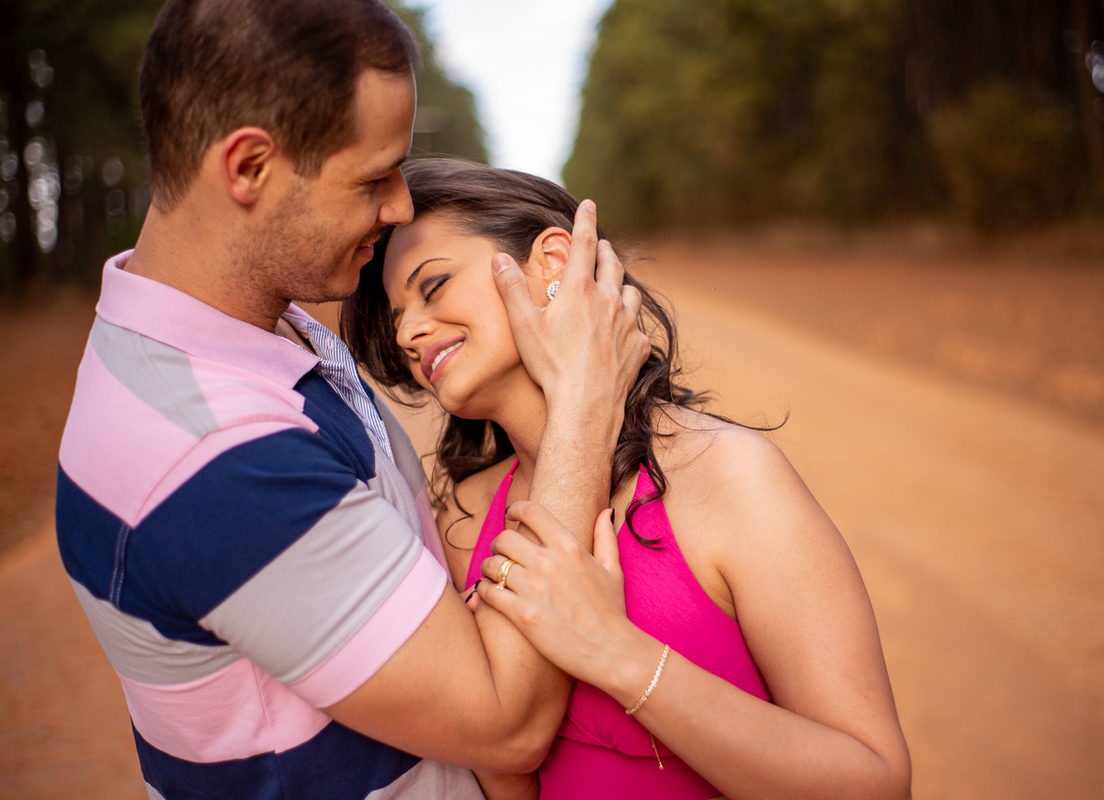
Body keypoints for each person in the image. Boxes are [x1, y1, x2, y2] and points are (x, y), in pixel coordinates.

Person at [55, 2, 648, 798]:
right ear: (249, 167)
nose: (400, 205)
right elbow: (505, 723)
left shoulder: (246, 332)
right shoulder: (211, 454)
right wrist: (581, 403)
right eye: (372, 178)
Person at [341, 158, 913, 800]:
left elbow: (873, 783)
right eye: (396, 317)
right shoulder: (465, 520)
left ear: (552, 261)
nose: (409, 332)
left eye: (435, 285)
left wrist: (615, 651)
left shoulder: (725, 477)